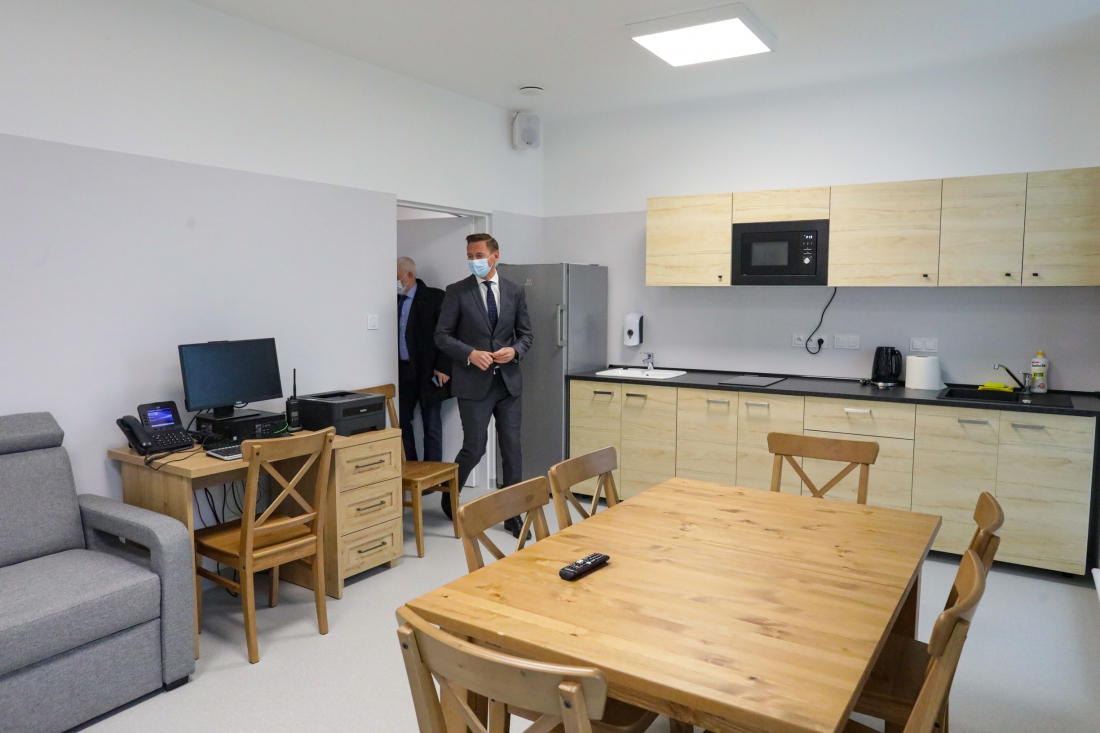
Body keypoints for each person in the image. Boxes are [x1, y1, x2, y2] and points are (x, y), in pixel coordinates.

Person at [434, 233, 533, 537]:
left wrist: (514, 351)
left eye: (479, 255)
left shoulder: (515, 291)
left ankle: (512, 514)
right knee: (474, 448)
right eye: (470, 256)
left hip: (508, 384)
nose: (474, 261)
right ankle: (450, 495)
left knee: (512, 449)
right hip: (473, 384)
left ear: (494, 256)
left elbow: (526, 335)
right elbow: (442, 336)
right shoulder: (457, 291)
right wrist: (469, 354)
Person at [397, 256, 451, 462]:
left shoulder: (436, 298)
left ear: (409, 275)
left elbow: (449, 335)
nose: (394, 283)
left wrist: (443, 366)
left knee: (432, 425)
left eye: (397, 278)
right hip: (403, 371)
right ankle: (411, 469)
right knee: (402, 422)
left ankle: (433, 474)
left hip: (429, 371)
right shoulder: (394, 300)